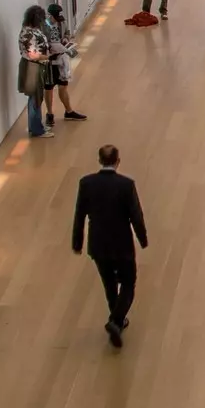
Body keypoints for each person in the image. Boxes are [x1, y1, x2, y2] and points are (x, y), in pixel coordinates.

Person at [71, 145, 147, 348]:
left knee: (109, 284)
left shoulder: (86, 183)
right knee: (128, 283)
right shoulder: (126, 185)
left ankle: (117, 321)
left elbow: (79, 215)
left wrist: (77, 243)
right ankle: (116, 320)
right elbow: (136, 216)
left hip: (98, 245)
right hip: (122, 244)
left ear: (99, 161)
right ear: (118, 161)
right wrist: (143, 239)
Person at [42, 3, 86, 124]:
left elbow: (67, 33)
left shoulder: (62, 23)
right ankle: (49, 113)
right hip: (49, 61)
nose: (58, 20)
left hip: (61, 59)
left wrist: (66, 39)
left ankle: (69, 111)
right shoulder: (43, 26)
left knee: (63, 86)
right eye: (55, 17)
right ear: (50, 16)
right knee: (49, 88)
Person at [17, 6, 55, 138]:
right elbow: (32, 55)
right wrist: (47, 56)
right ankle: (36, 129)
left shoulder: (33, 30)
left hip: (37, 66)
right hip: (32, 67)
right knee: (34, 98)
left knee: (37, 96)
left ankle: (36, 126)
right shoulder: (28, 33)